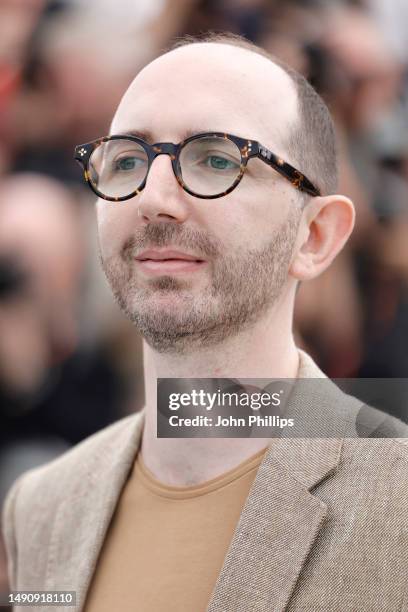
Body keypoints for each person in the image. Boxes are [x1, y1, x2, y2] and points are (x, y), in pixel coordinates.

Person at [2, 33, 408, 612]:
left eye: (218, 159)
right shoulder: (40, 509)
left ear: (315, 236)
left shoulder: (397, 501)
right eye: (126, 161)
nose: (154, 198)